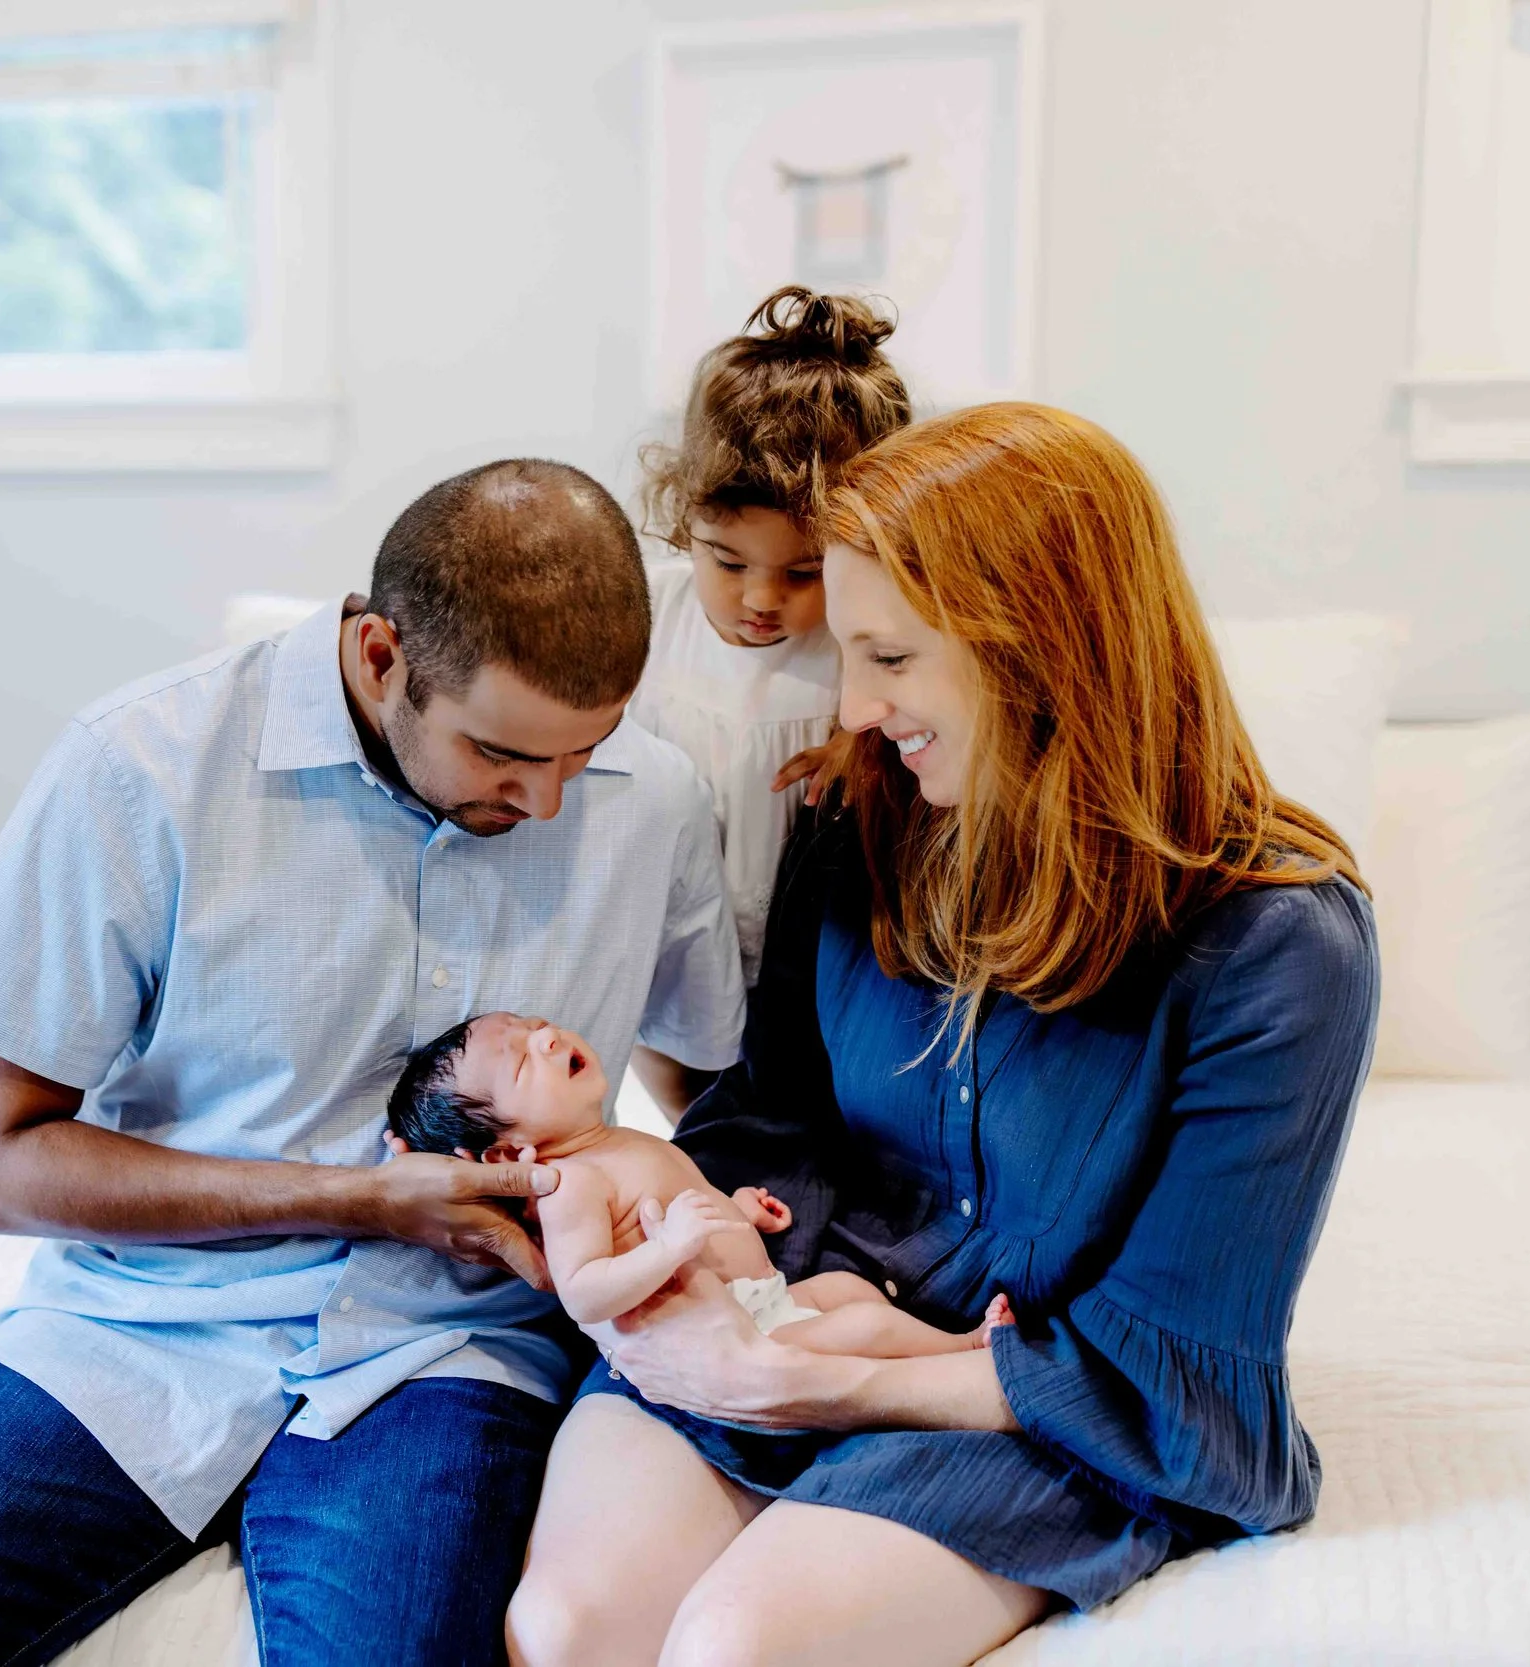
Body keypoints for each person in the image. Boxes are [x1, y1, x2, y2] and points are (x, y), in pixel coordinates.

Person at [0, 459, 747, 1667]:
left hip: (448, 1353)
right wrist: (359, 1198)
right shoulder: (143, 765)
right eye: (499, 754)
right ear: (380, 655)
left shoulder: (660, 803)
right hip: (139, 1329)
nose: (544, 799)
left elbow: (715, 1091)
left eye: (584, 752)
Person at [507, 404, 1380, 1667]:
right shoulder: (858, 818)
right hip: (789, 1308)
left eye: (890, 658)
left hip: (1037, 1410)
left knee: (736, 1647)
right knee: (568, 1626)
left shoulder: (1277, 945)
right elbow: (776, 1120)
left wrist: (824, 1381)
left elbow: (1170, 1354)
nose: (853, 707)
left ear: (1041, 648)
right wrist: (716, 1277)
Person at [386, 1011, 1009, 1354]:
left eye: (533, 1024)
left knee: (849, 1289)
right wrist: (669, 1248)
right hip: (721, 1338)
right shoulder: (569, 1184)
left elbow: (682, 1206)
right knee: (862, 1328)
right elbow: (583, 1294)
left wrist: (737, 1212)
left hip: (764, 1302)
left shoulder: (617, 1141)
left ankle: (931, 1348)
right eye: (523, 1060)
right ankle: (968, 1352)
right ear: (507, 1152)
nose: (547, 1036)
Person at [628, 285, 912, 994]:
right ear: (684, 513)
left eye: (804, 571)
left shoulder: (867, 643)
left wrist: (864, 744)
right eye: (727, 561)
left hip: (809, 950)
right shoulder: (650, 613)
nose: (760, 598)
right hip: (669, 933)